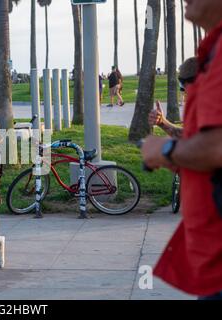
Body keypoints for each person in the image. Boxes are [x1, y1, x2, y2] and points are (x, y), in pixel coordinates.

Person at [141, 0, 222, 300]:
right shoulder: (214, 52)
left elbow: (216, 148)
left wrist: (164, 150)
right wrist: (166, 131)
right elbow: (199, 144)